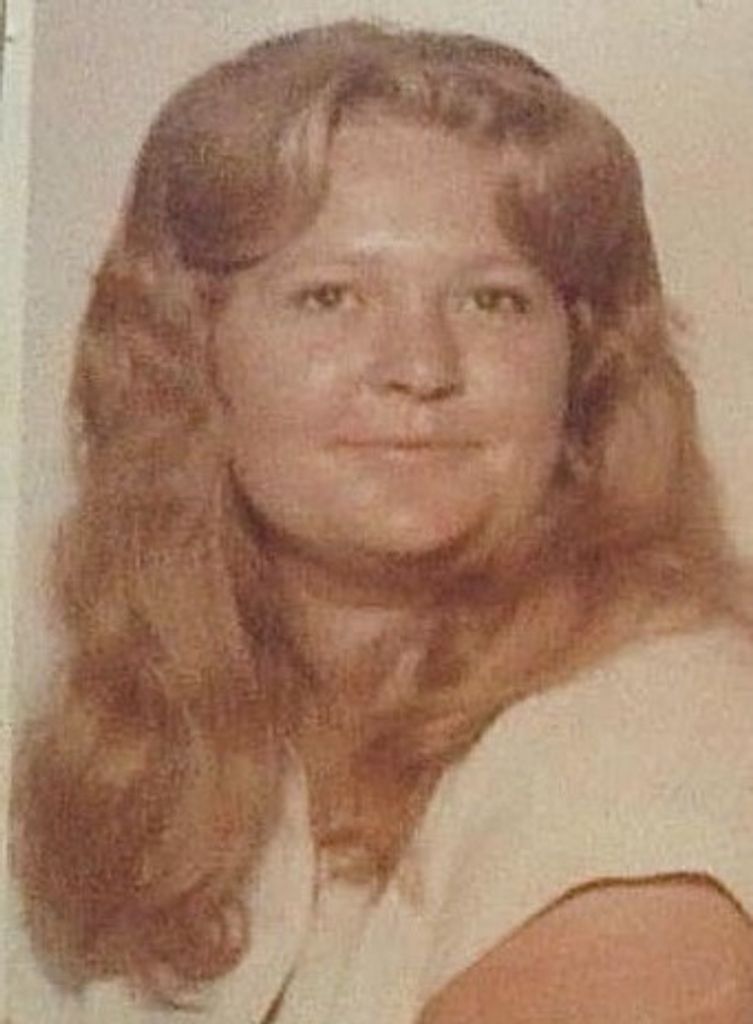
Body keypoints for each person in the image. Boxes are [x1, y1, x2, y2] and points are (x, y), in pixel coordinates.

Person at [7, 19, 753, 1024]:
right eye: (330, 298)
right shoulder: (184, 733)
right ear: (188, 355)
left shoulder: (657, 740)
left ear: (582, 370)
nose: (421, 367)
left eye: (492, 301)